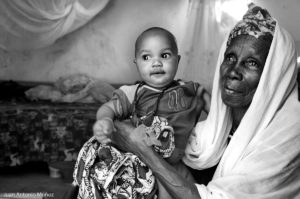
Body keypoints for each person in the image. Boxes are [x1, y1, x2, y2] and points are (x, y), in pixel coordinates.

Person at [100, 4, 300, 199]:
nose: (232, 72)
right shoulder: (214, 131)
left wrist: (142, 150)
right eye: (229, 58)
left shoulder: (287, 137)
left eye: (252, 63)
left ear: (275, 75)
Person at [72, 27, 210, 198]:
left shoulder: (190, 90)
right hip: (146, 161)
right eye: (146, 57)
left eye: (164, 55)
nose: (156, 62)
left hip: (178, 162)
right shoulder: (134, 93)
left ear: (178, 60)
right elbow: (108, 108)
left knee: (194, 191)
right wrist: (104, 120)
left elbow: (218, 116)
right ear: (136, 62)